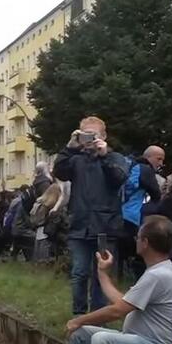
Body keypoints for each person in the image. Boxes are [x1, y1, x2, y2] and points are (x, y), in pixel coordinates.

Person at [67, 215, 172, 344]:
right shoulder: (157, 271)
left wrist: (79, 319)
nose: (135, 240)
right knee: (79, 335)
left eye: (138, 237)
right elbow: (123, 303)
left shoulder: (158, 275)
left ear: (145, 242)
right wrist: (103, 273)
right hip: (138, 342)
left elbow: (117, 311)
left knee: (102, 341)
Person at [53, 116, 129, 316]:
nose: (88, 139)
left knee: (101, 275)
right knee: (79, 273)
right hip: (80, 224)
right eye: (83, 134)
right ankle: (79, 315)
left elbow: (119, 178)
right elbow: (59, 171)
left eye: (92, 135)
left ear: (103, 136)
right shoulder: (77, 159)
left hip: (105, 226)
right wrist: (69, 147)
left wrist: (104, 156)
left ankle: (97, 316)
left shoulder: (115, 158)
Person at [120, 146, 164, 281]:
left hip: (114, 215)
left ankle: (117, 280)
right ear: (149, 157)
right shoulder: (145, 169)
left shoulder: (128, 165)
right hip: (131, 217)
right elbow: (156, 194)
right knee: (141, 251)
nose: (161, 163)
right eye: (159, 159)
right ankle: (141, 283)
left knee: (118, 253)